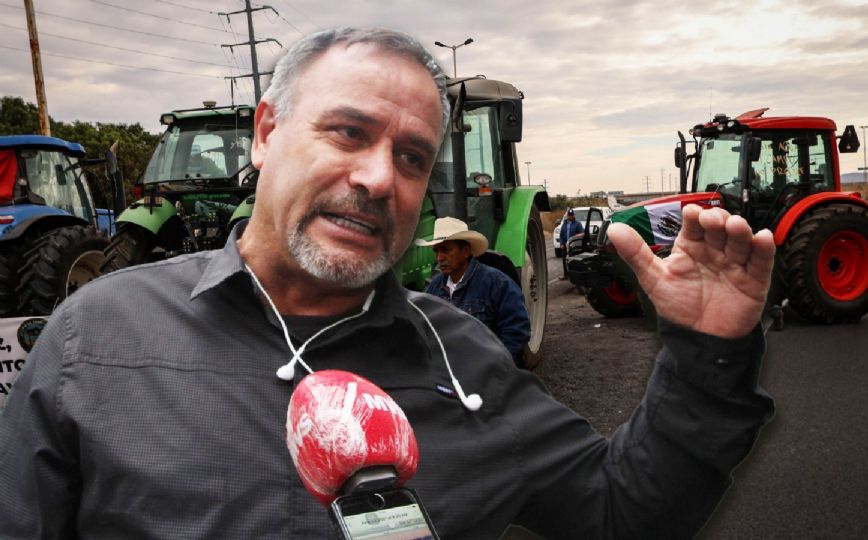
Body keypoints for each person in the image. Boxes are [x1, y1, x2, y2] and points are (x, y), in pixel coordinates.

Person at [0, 27, 775, 539]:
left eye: (412, 158)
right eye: (348, 132)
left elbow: (622, 511)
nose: (379, 178)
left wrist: (707, 355)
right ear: (266, 133)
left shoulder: (465, 364)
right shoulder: (95, 339)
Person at [418, 217, 531, 364]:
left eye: (446, 250)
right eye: (436, 251)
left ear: (465, 251)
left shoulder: (497, 283)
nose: (439, 257)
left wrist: (492, 364)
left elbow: (517, 330)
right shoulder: (434, 288)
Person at [558, 207, 584, 279]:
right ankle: (566, 275)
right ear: (567, 215)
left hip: (573, 246)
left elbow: (582, 233)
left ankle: (575, 276)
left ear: (574, 215)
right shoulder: (564, 224)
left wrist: (576, 236)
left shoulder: (578, 224)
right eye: (569, 215)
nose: (571, 216)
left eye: (572, 215)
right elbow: (561, 235)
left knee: (573, 260)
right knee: (564, 260)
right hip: (565, 246)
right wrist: (561, 244)